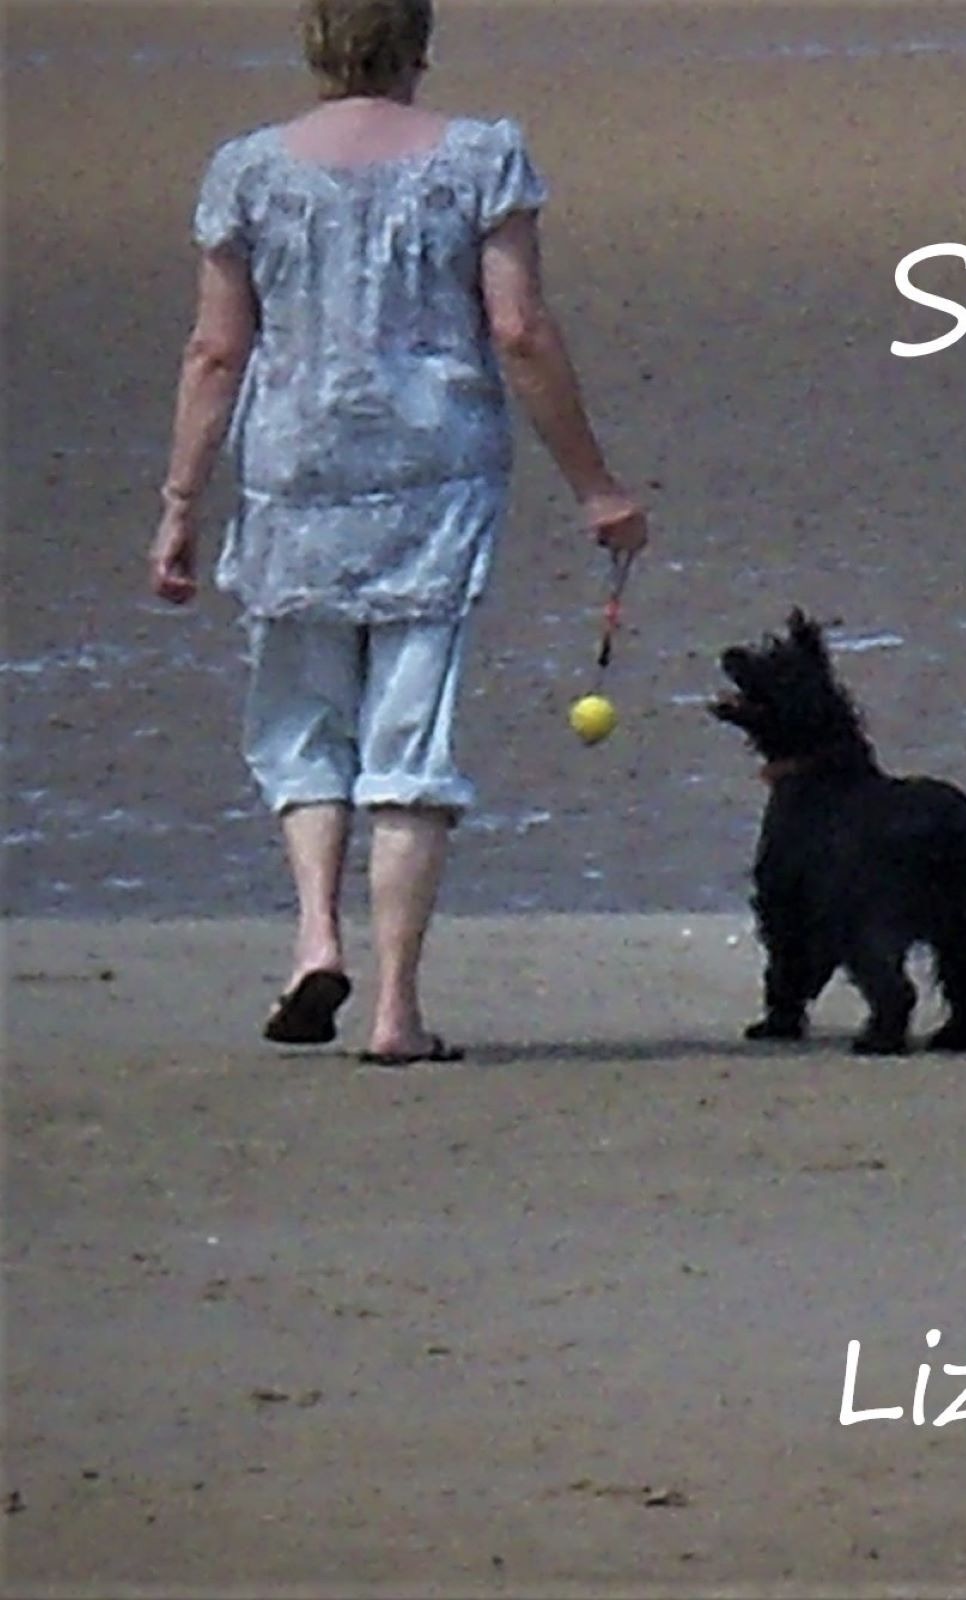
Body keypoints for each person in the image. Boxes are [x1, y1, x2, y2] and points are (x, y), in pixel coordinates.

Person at [148, 0, 647, 1064]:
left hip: (293, 471)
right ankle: (395, 1013)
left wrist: (181, 503)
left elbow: (215, 352)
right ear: (418, 42)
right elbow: (518, 329)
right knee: (408, 737)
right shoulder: (480, 159)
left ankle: (315, 939)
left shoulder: (247, 171)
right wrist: (595, 485)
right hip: (437, 474)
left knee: (301, 720)